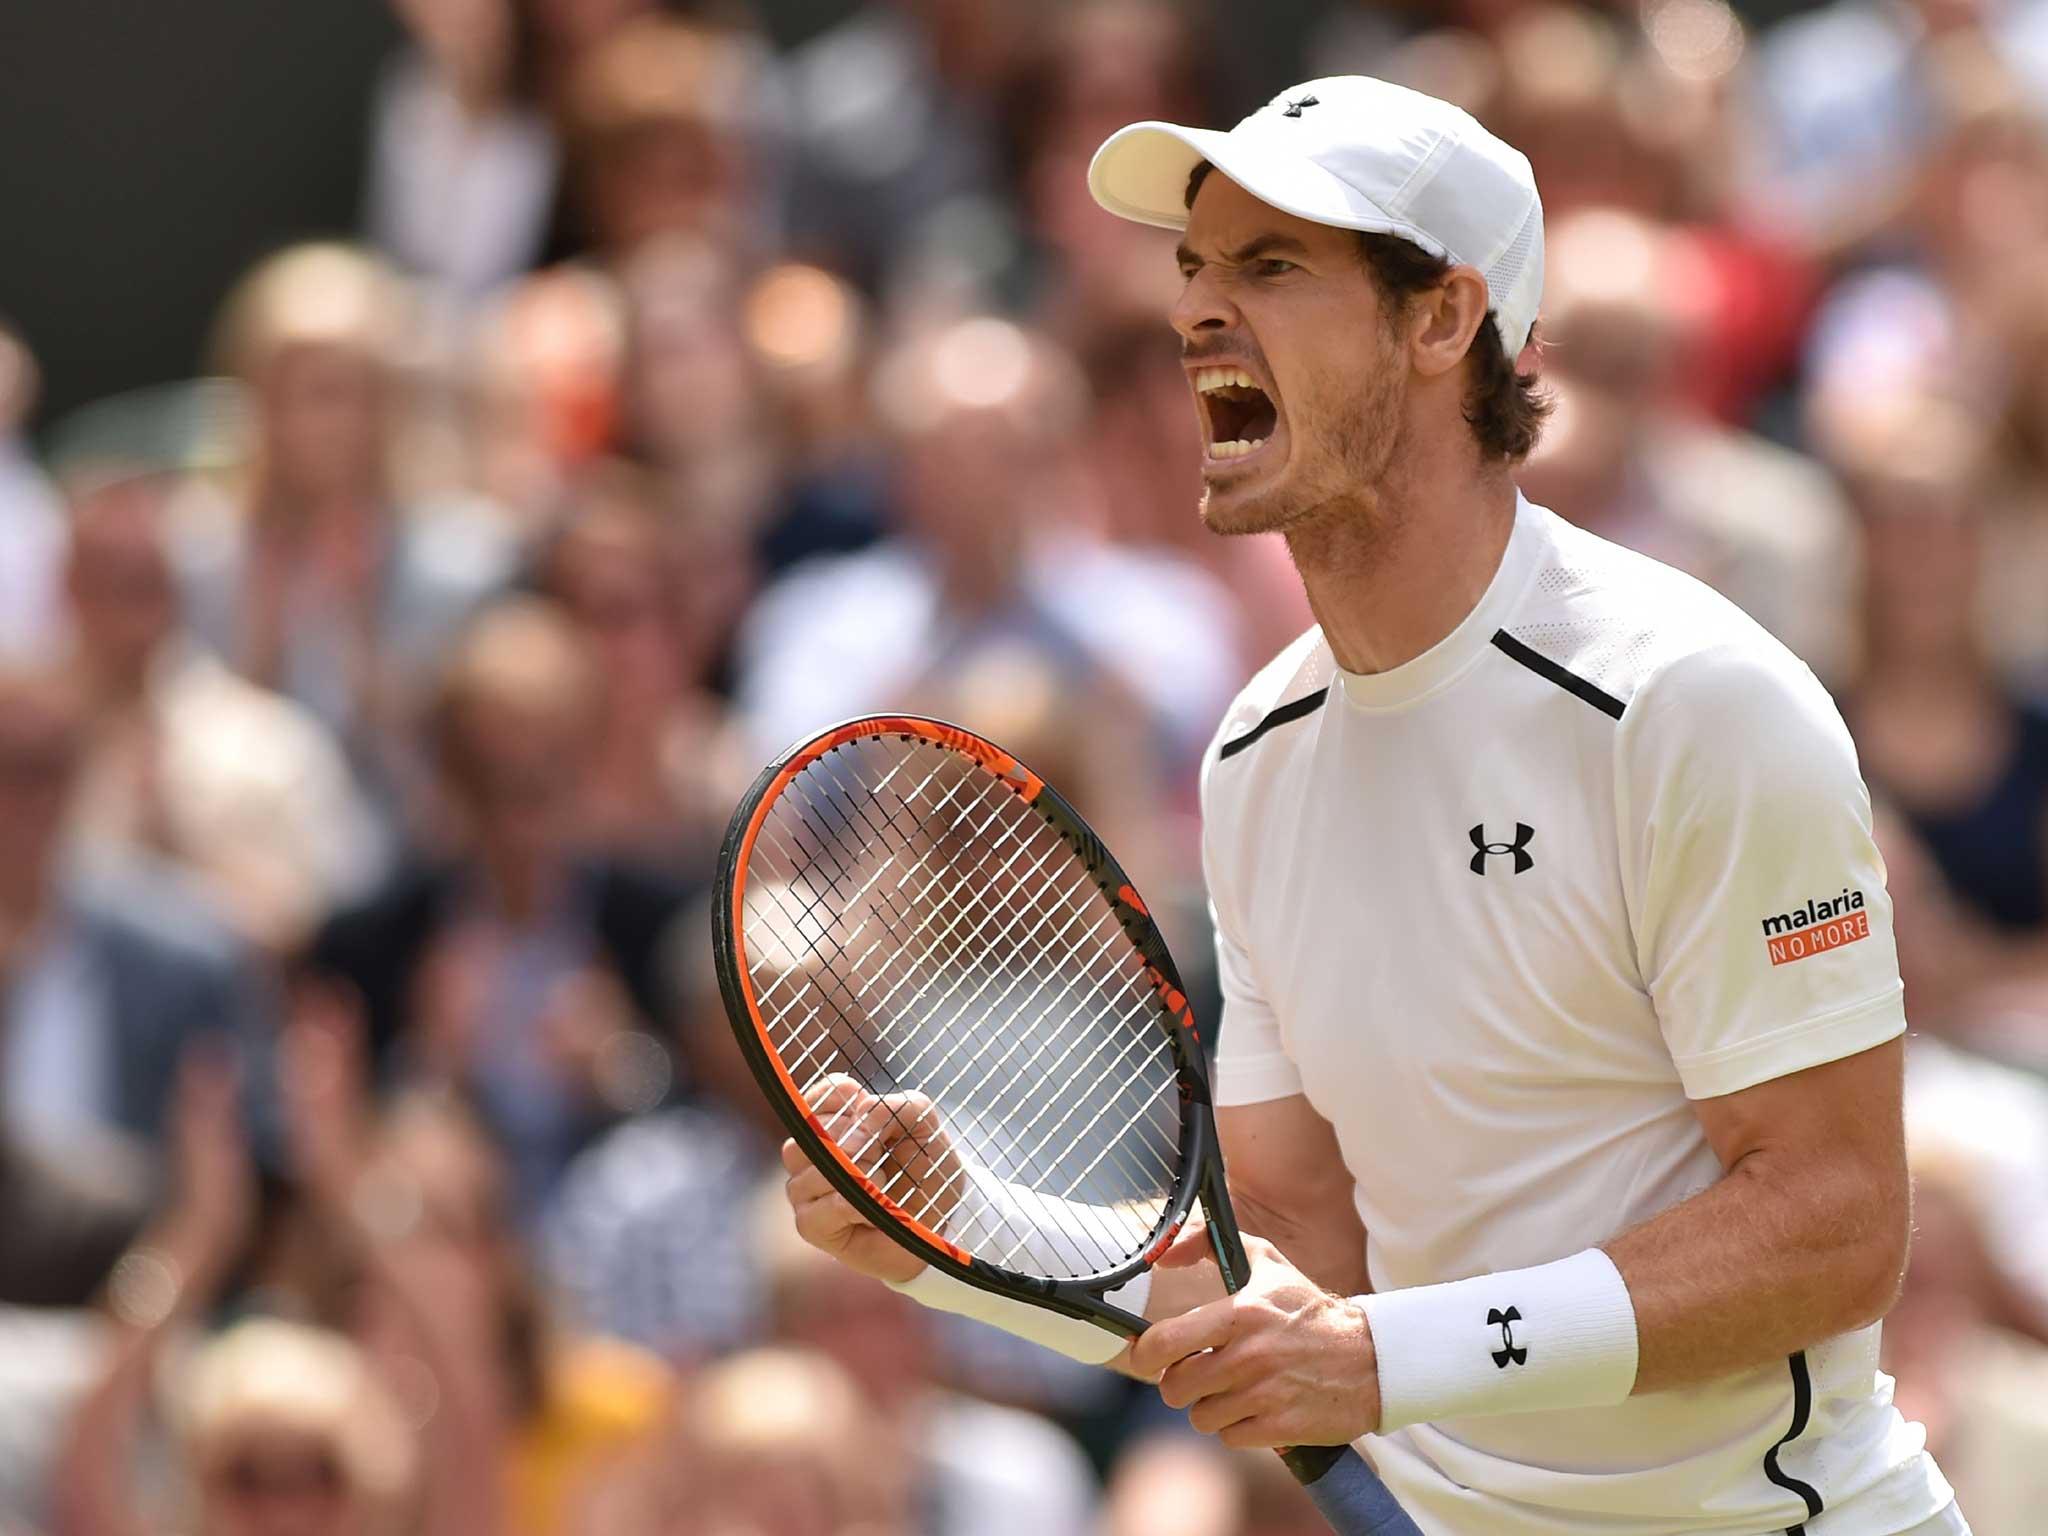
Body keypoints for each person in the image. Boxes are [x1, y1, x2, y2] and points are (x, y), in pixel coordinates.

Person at [778, 75, 1964, 1534]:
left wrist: (1389, 1357)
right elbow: (1285, 1257)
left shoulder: (1693, 701)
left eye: (1272, 267)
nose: (1201, 313)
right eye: (1195, 272)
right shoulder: (1255, 755)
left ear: (1440, 318)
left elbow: (1836, 1228)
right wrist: (954, 1222)